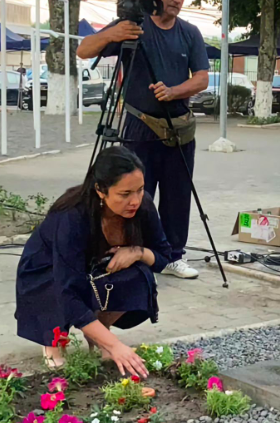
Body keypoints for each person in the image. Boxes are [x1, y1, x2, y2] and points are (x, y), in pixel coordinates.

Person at [77, 0, 210, 279]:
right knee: (135, 194)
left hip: (178, 129)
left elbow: (201, 79)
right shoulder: (134, 27)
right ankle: (132, 249)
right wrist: (112, 34)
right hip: (138, 127)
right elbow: (83, 51)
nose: (177, 2)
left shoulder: (190, 32)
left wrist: (173, 92)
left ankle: (173, 256)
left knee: (178, 195)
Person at [15, 147, 171, 377]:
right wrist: (116, 346)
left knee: (139, 274)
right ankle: (54, 340)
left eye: (140, 190)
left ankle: (98, 330)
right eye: (125, 194)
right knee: (61, 294)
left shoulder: (142, 205)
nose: (135, 200)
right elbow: (68, 291)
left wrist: (137, 252)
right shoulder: (71, 216)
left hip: (93, 269)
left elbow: (163, 256)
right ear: (100, 190)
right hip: (47, 274)